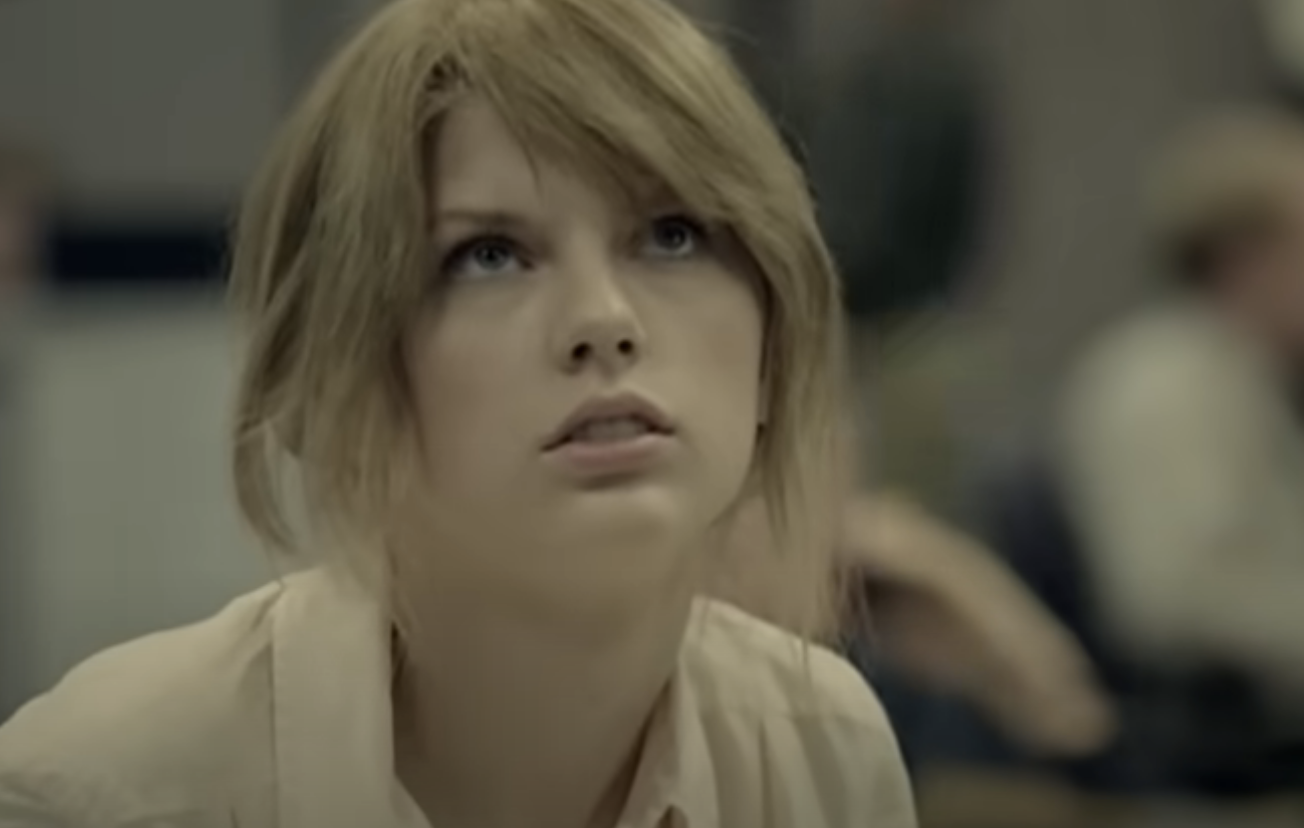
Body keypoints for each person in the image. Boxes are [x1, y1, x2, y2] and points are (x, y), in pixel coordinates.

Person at [0, 1, 915, 827]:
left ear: (773, 344)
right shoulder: (98, 793)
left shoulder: (821, 758)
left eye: (672, 235)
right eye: (489, 255)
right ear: (329, 378)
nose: (604, 320)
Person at [1057, 109, 1304, 790]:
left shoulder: (1246, 376)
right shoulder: (1166, 384)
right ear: (1247, 256)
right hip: (1206, 749)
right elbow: (1173, 600)